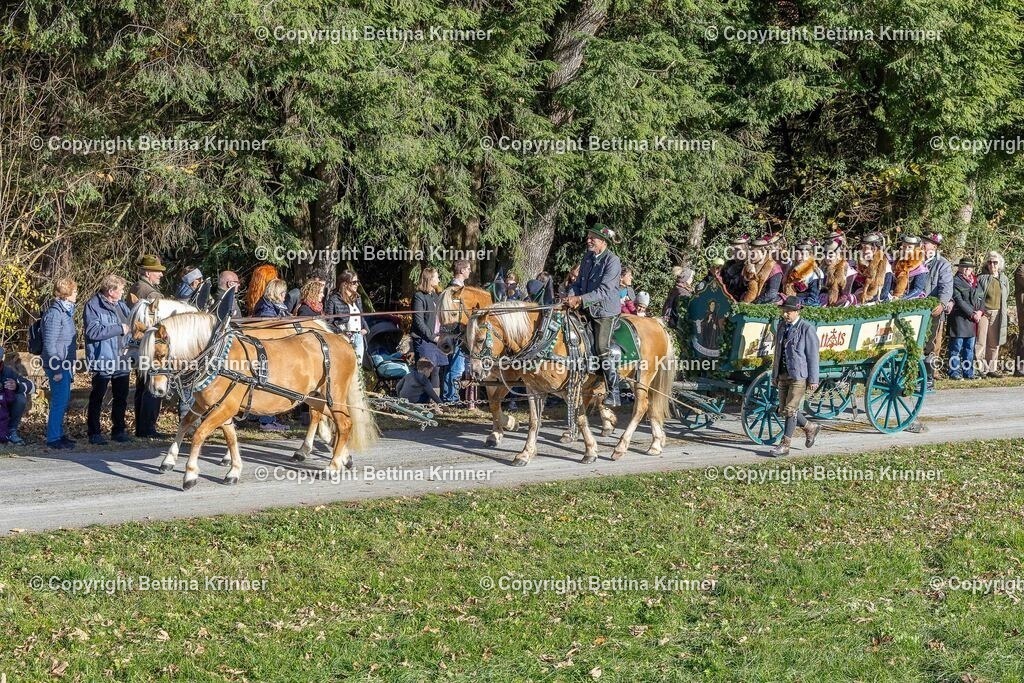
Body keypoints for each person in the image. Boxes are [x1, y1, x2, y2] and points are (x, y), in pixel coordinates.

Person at [566, 223, 623, 407]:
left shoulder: (612, 261)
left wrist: (580, 300)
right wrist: (571, 295)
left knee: (601, 347)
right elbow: (578, 283)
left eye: (593, 237)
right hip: (584, 307)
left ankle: (613, 391)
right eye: (589, 236)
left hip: (604, 311)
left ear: (603, 242)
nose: (588, 240)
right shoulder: (587, 257)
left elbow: (605, 291)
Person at [83, 274, 133, 445]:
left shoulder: (121, 306)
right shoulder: (93, 306)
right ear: (111, 291)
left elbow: (130, 326)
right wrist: (119, 328)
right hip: (103, 357)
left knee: (121, 396)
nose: (123, 292)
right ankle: (94, 432)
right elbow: (93, 331)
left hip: (122, 357)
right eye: (121, 289)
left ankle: (118, 430)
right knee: (98, 396)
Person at [769, 296, 821, 457]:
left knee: (790, 410)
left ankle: (785, 446)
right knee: (785, 410)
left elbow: (813, 355)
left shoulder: (806, 328)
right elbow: (777, 352)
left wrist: (813, 379)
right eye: (784, 311)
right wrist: (775, 374)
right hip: (783, 374)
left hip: (799, 375)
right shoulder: (782, 327)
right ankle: (809, 427)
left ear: (797, 312)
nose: (785, 314)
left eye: (789, 312)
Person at [127, 254, 167, 437]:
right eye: (158, 272)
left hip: (140, 346)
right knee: (153, 387)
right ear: (148, 272)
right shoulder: (152, 294)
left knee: (142, 386)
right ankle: (148, 428)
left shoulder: (135, 287)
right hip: (151, 347)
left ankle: (141, 427)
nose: (161, 275)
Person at [41, 277, 79, 450]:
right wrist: (56, 368)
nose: (76, 293)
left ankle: (59, 433)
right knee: (59, 401)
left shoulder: (66, 312)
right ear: (67, 293)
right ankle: (53, 437)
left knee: (63, 400)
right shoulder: (54, 314)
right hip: (57, 365)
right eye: (75, 291)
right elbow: (49, 344)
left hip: (65, 364)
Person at [921, 233, 954, 387]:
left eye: (926, 243)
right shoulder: (915, 261)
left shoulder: (943, 264)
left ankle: (929, 377)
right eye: (922, 242)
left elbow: (946, 287)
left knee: (932, 345)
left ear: (934, 247)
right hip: (916, 311)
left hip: (933, 310)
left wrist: (941, 303)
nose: (922, 245)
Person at [412, 267, 449, 390]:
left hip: (437, 339)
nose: (439, 279)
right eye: (437, 277)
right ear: (430, 279)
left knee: (436, 372)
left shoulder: (436, 296)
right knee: (425, 372)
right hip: (424, 340)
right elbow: (419, 322)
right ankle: (421, 403)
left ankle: (435, 403)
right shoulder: (419, 296)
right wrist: (433, 337)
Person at [948, 258, 984, 380]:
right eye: (964, 267)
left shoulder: (976, 281)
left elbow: (982, 298)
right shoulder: (955, 281)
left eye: (969, 267)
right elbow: (959, 300)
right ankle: (954, 373)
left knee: (969, 348)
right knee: (956, 347)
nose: (967, 269)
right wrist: (972, 313)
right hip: (959, 319)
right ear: (959, 268)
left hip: (973, 320)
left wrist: (980, 311)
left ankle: (969, 373)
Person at [442, 260, 472, 403]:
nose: (470, 271)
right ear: (461, 271)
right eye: (468, 269)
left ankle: (451, 396)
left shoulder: (455, 288)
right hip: (455, 332)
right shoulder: (454, 289)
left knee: (455, 366)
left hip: (455, 332)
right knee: (456, 367)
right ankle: (451, 398)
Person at [975, 251, 1009, 378]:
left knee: (994, 342)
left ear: (999, 264)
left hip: (997, 313)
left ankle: (992, 368)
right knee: (981, 341)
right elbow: (977, 296)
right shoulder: (981, 277)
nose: (992, 265)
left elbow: (1006, 295)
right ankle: (980, 369)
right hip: (983, 312)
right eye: (990, 262)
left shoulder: (1004, 279)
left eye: (995, 262)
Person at [325, 271, 368, 364]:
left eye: (357, 282)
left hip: (359, 337)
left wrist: (366, 329)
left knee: (358, 366)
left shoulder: (357, 298)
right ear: (345, 284)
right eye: (354, 282)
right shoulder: (333, 299)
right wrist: (342, 334)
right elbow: (328, 322)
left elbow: (361, 317)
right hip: (343, 338)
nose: (357, 284)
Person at [0, 346, 35, 444]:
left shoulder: (7, 372)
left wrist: (17, 386)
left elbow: (32, 387)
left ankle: (11, 431)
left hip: (4, 408)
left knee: (20, 398)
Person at [741, 237, 783, 304]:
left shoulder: (774, 268)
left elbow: (771, 294)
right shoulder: (749, 266)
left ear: (763, 252)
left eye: (753, 253)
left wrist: (754, 303)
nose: (750, 255)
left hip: (767, 303)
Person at [853, 233, 891, 304]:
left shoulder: (886, 267)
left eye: (866, 248)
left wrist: (867, 299)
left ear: (875, 249)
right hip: (860, 298)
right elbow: (855, 286)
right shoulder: (860, 265)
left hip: (878, 301)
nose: (863, 251)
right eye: (862, 248)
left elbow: (884, 293)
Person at [782, 240, 823, 306]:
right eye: (797, 253)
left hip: (805, 304)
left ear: (810, 255)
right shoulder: (792, 269)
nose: (799, 256)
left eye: (803, 254)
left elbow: (812, 299)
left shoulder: (815, 273)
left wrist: (795, 302)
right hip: (789, 300)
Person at [820, 240, 857, 307]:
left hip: (843, 301)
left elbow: (846, 293)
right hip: (823, 300)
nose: (827, 258)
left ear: (837, 255)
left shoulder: (847, 270)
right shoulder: (822, 268)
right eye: (825, 255)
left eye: (830, 256)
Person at [721, 235, 750, 300]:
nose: (734, 252)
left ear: (746, 251)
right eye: (732, 249)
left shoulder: (748, 267)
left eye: (737, 249)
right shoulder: (728, 264)